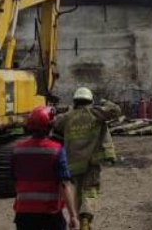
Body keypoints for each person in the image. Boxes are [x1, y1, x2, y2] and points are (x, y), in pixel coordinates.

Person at [54, 87, 121, 230]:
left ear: (75, 101)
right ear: (90, 100)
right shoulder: (95, 113)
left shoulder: (68, 117)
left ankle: (82, 221)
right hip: (92, 161)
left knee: (77, 192)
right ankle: (85, 219)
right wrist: (103, 101)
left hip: (73, 163)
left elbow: (55, 125)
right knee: (90, 189)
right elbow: (116, 111)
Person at [13, 106, 79, 230]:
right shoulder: (56, 150)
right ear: (50, 126)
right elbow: (64, 184)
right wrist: (73, 215)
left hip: (23, 214)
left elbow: (15, 178)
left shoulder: (17, 150)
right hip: (50, 214)